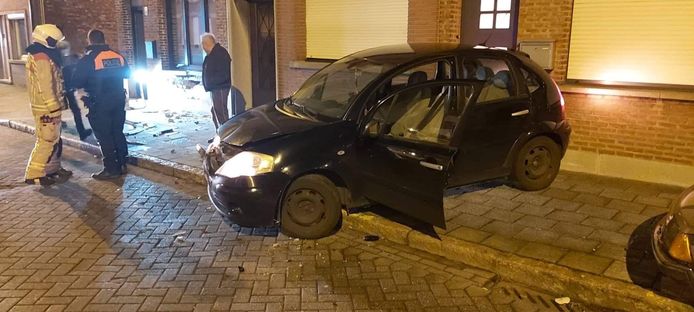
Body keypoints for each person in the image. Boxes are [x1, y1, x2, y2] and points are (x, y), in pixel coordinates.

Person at [72, 29, 130, 180]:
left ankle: (111, 169)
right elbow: (128, 74)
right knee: (117, 131)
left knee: (104, 135)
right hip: (118, 100)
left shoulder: (88, 59)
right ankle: (122, 163)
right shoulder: (117, 55)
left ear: (90, 41)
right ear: (104, 39)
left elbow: (76, 82)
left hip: (99, 103)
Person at [24, 24, 72, 186]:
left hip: (46, 106)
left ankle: (52, 169)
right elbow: (46, 85)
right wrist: (54, 107)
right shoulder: (42, 57)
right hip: (46, 108)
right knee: (46, 140)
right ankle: (34, 174)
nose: (56, 43)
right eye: (54, 40)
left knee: (54, 139)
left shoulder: (41, 53)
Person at [58, 40, 92, 141]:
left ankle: (61, 130)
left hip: (63, 89)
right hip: (67, 89)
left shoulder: (57, 60)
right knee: (75, 110)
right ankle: (81, 132)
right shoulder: (70, 59)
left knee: (61, 110)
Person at [201, 33, 232, 137]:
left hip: (220, 88)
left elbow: (224, 74)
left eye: (202, 44)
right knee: (215, 111)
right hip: (214, 88)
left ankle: (226, 136)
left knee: (221, 112)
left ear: (206, 44)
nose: (202, 47)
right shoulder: (211, 54)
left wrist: (212, 82)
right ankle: (219, 135)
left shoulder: (220, 54)